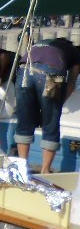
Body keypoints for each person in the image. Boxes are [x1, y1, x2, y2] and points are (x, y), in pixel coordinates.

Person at [14, 35, 80, 173]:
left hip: (24, 71)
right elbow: (71, 84)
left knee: (24, 122)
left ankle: (22, 168)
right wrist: (58, 103)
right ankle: (45, 171)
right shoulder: (73, 51)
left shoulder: (39, 44)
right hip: (50, 73)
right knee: (51, 123)